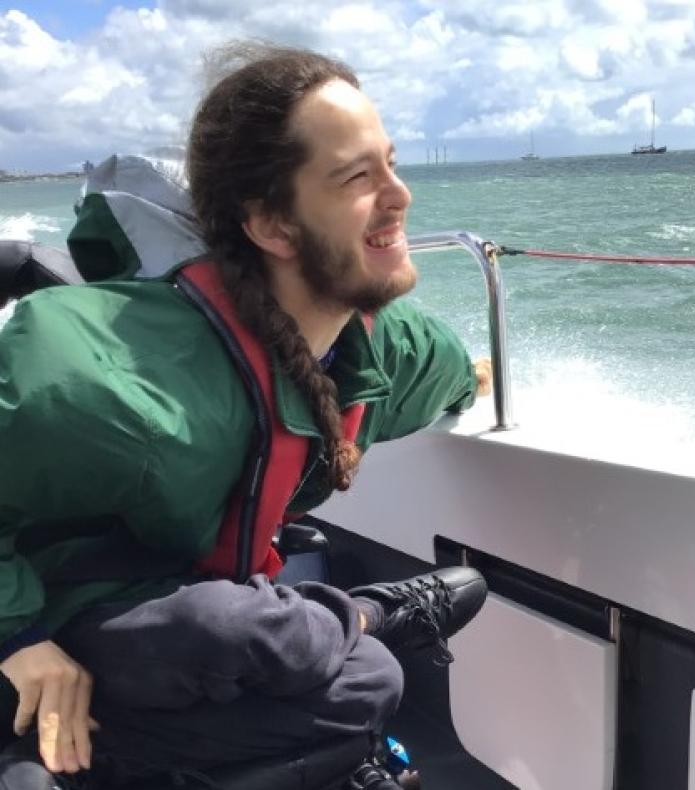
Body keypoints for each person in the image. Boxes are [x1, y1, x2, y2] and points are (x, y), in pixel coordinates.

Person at [0, 43, 491, 789]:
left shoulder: (381, 350)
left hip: (190, 602)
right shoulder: (116, 383)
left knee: (365, 685)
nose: (399, 196)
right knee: (242, 637)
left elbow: (449, 374)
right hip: (66, 600)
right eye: (358, 176)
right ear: (271, 225)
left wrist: (471, 387)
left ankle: (352, 622)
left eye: (391, 163)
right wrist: (22, 637)